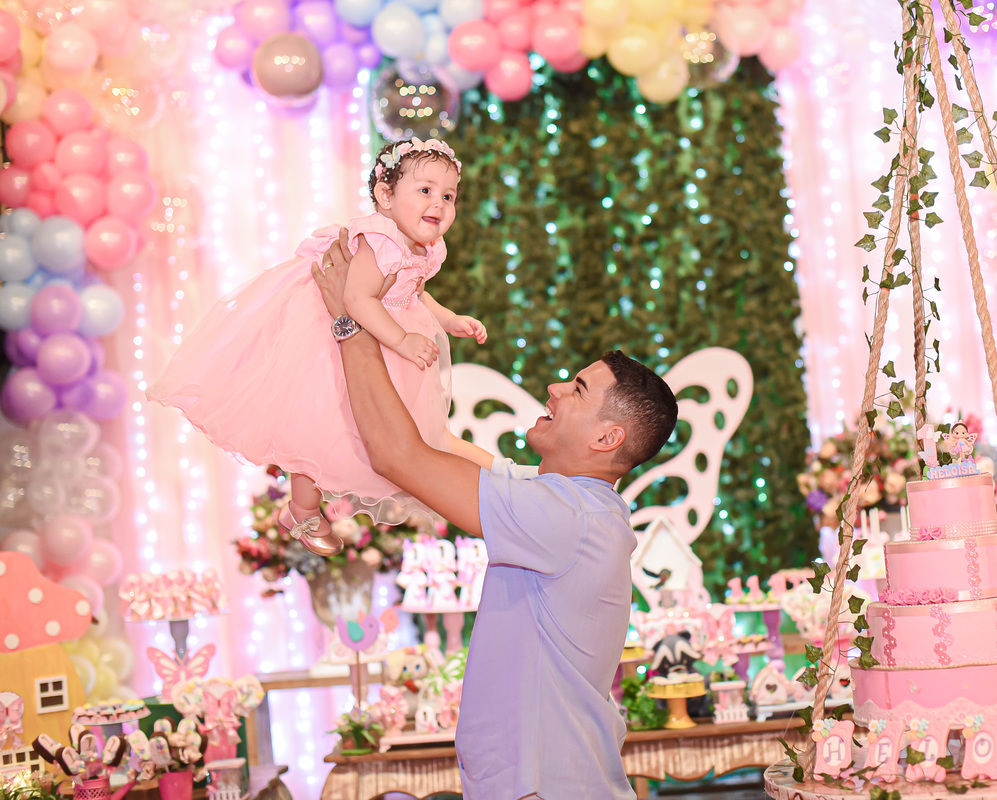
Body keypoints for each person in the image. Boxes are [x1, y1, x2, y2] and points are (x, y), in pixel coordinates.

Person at [312, 229, 678, 800]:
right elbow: (438, 448)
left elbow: (399, 456)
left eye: (577, 389)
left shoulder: (565, 514)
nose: (554, 388)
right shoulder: (561, 500)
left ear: (608, 438)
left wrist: (349, 321)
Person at [148, 138, 486, 556]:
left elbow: (414, 294)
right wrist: (401, 340)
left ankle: (310, 507)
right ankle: (302, 510)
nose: (439, 204)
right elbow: (356, 299)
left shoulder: (426, 249)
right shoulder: (379, 240)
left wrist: (448, 320)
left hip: (382, 338)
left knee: (374, 431)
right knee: (320, 424)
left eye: (448, 196)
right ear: (385, 195)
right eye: (425, 190)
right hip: (342, 336)